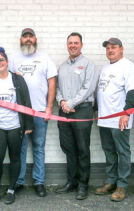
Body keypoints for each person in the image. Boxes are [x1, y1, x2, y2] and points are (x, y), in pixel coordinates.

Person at [0, 47, 34, 205]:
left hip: (15, 126)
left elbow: (26, 102)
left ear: (7, 62)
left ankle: (11, 190)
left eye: (1, 60)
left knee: (15, 157)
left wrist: (28, 124)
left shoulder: (17, 80)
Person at [9, 28, 57, 197]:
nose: (28, 39)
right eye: (25, 37)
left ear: (35, 39)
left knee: (38, 147)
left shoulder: (44, 58)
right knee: (19, 148)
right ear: (21, 40)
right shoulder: (13, 59)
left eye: (30, 37)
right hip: (20, 113)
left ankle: (39, 182)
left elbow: (52, 83)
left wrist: (49, 107)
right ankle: (19, 181)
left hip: (39, 111)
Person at [95, 38, 134, 202]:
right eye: (107, 48)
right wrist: (96, 110)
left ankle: (122, 185)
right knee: (109, 152)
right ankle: (111, 181)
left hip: (119, 119)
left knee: (122, 152)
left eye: (113, 47)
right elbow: (101, 91)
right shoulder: (106, 67)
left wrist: (126, 113)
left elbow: (133, 91)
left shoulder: (128, 67)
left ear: (121, 49)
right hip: (104, 120)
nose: (110, 50)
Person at [55, 32, 98, 200]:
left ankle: (83, 185)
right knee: (68, 149)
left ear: (81, 45)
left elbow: (88, 88)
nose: (73, 45)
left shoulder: (89, 64)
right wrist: (62, 102)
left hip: (82, 110)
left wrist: (71, 103)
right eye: (70, 43)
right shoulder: (62, 66)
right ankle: (71, 181)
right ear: (67, 45)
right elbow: (57, 88)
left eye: (76, 42)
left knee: (82, 149)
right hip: (64, 111)